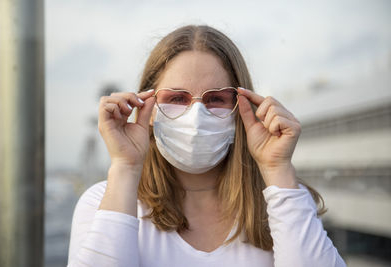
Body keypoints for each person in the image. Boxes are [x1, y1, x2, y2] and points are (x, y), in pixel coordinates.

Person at [67, 25, 346, 267]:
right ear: (148, 107)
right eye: (177, 98)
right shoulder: (105, 202)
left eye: (215, 99)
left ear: (241, 108)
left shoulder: (281, 200)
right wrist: (125, 168)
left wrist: (278, 169)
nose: (196, 116)